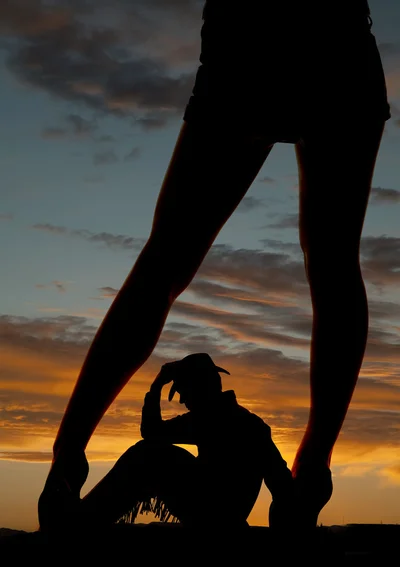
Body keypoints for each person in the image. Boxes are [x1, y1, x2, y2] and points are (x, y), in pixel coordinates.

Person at [38, 0, 391, 530]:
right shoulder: (238, 425)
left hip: (252, 37)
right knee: (334, 263)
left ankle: (67, 461)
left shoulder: (236, 426)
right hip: (335, 41)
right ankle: (312, 470)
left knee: (168, 260)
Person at [45, 353, 293, 531]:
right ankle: (82, 517)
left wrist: (156, 387)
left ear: (199, 389)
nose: (183, 401)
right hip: (223, 515)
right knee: (150, 453)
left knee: (149, 455)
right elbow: (282, 486)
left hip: (213, 516)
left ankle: (80, 521)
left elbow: (151, 433)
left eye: (184, 393)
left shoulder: (210, 420)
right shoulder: (251, 424)